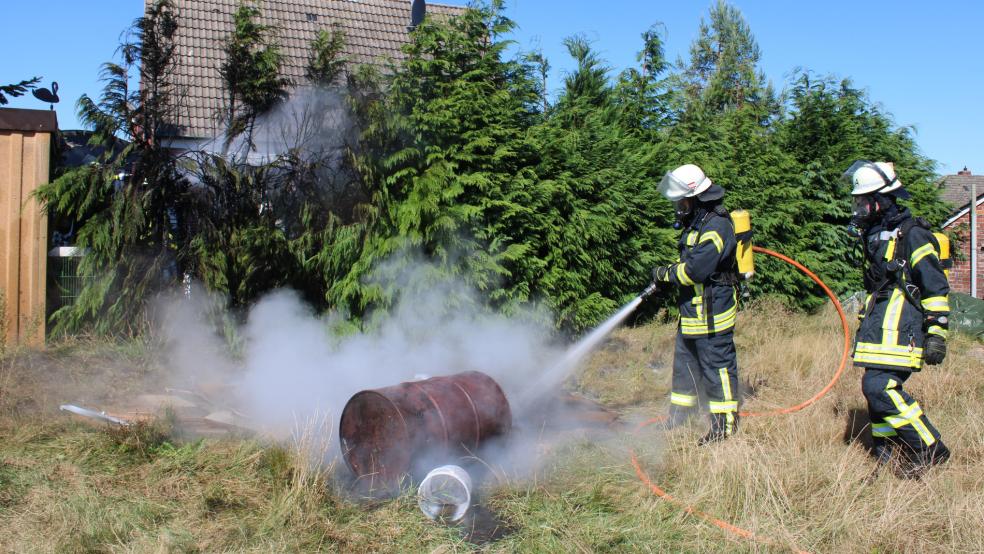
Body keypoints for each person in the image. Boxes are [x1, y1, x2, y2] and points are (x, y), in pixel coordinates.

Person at [844, 160, 950, 478]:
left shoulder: (913, 235)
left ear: (883, 200)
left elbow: (935, 285)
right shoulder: (877, 235)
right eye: (858, 201)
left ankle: (929, 447)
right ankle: (886, 454)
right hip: (879, 328)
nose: (859, 207)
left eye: (864, 200)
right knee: (873, 390)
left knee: (880, 387)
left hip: (903, 329)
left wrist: (937, 333)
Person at [651, 164, 741, 445]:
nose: (679, 206)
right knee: (684, 369)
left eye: (682, 201)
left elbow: (694, 271)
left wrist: (663, 274)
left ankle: (723, 426)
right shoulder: (697, 223)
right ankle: (678, 417)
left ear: (696, 198)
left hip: (713, 314)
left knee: (717, 370)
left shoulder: (717, 225)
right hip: (692, 313)